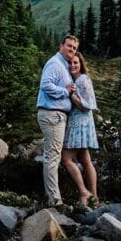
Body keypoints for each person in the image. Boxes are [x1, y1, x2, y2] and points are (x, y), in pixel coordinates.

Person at [36, 33, 78, 208]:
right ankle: (54, 200)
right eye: (69, 46)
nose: (71, 50)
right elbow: (45, 85)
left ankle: (54, 198)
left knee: (54, 156)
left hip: (57, 115)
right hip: (52, 114)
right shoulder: (55, 63)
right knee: (52, 157)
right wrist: (65, 91)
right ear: (61, 45)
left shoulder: (62, 64)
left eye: (74, 48)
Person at [61, 52, 99, 208]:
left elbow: (87, 105)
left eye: (75, 62)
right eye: (70, 63)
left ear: (81, 64)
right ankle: (94, 199)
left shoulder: (83, 79)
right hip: (80, 123)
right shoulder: (75, 80)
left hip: (80, 124)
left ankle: (84, 192)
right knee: (86, 161)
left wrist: (72, 96)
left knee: (66, 159)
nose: (72, 65)